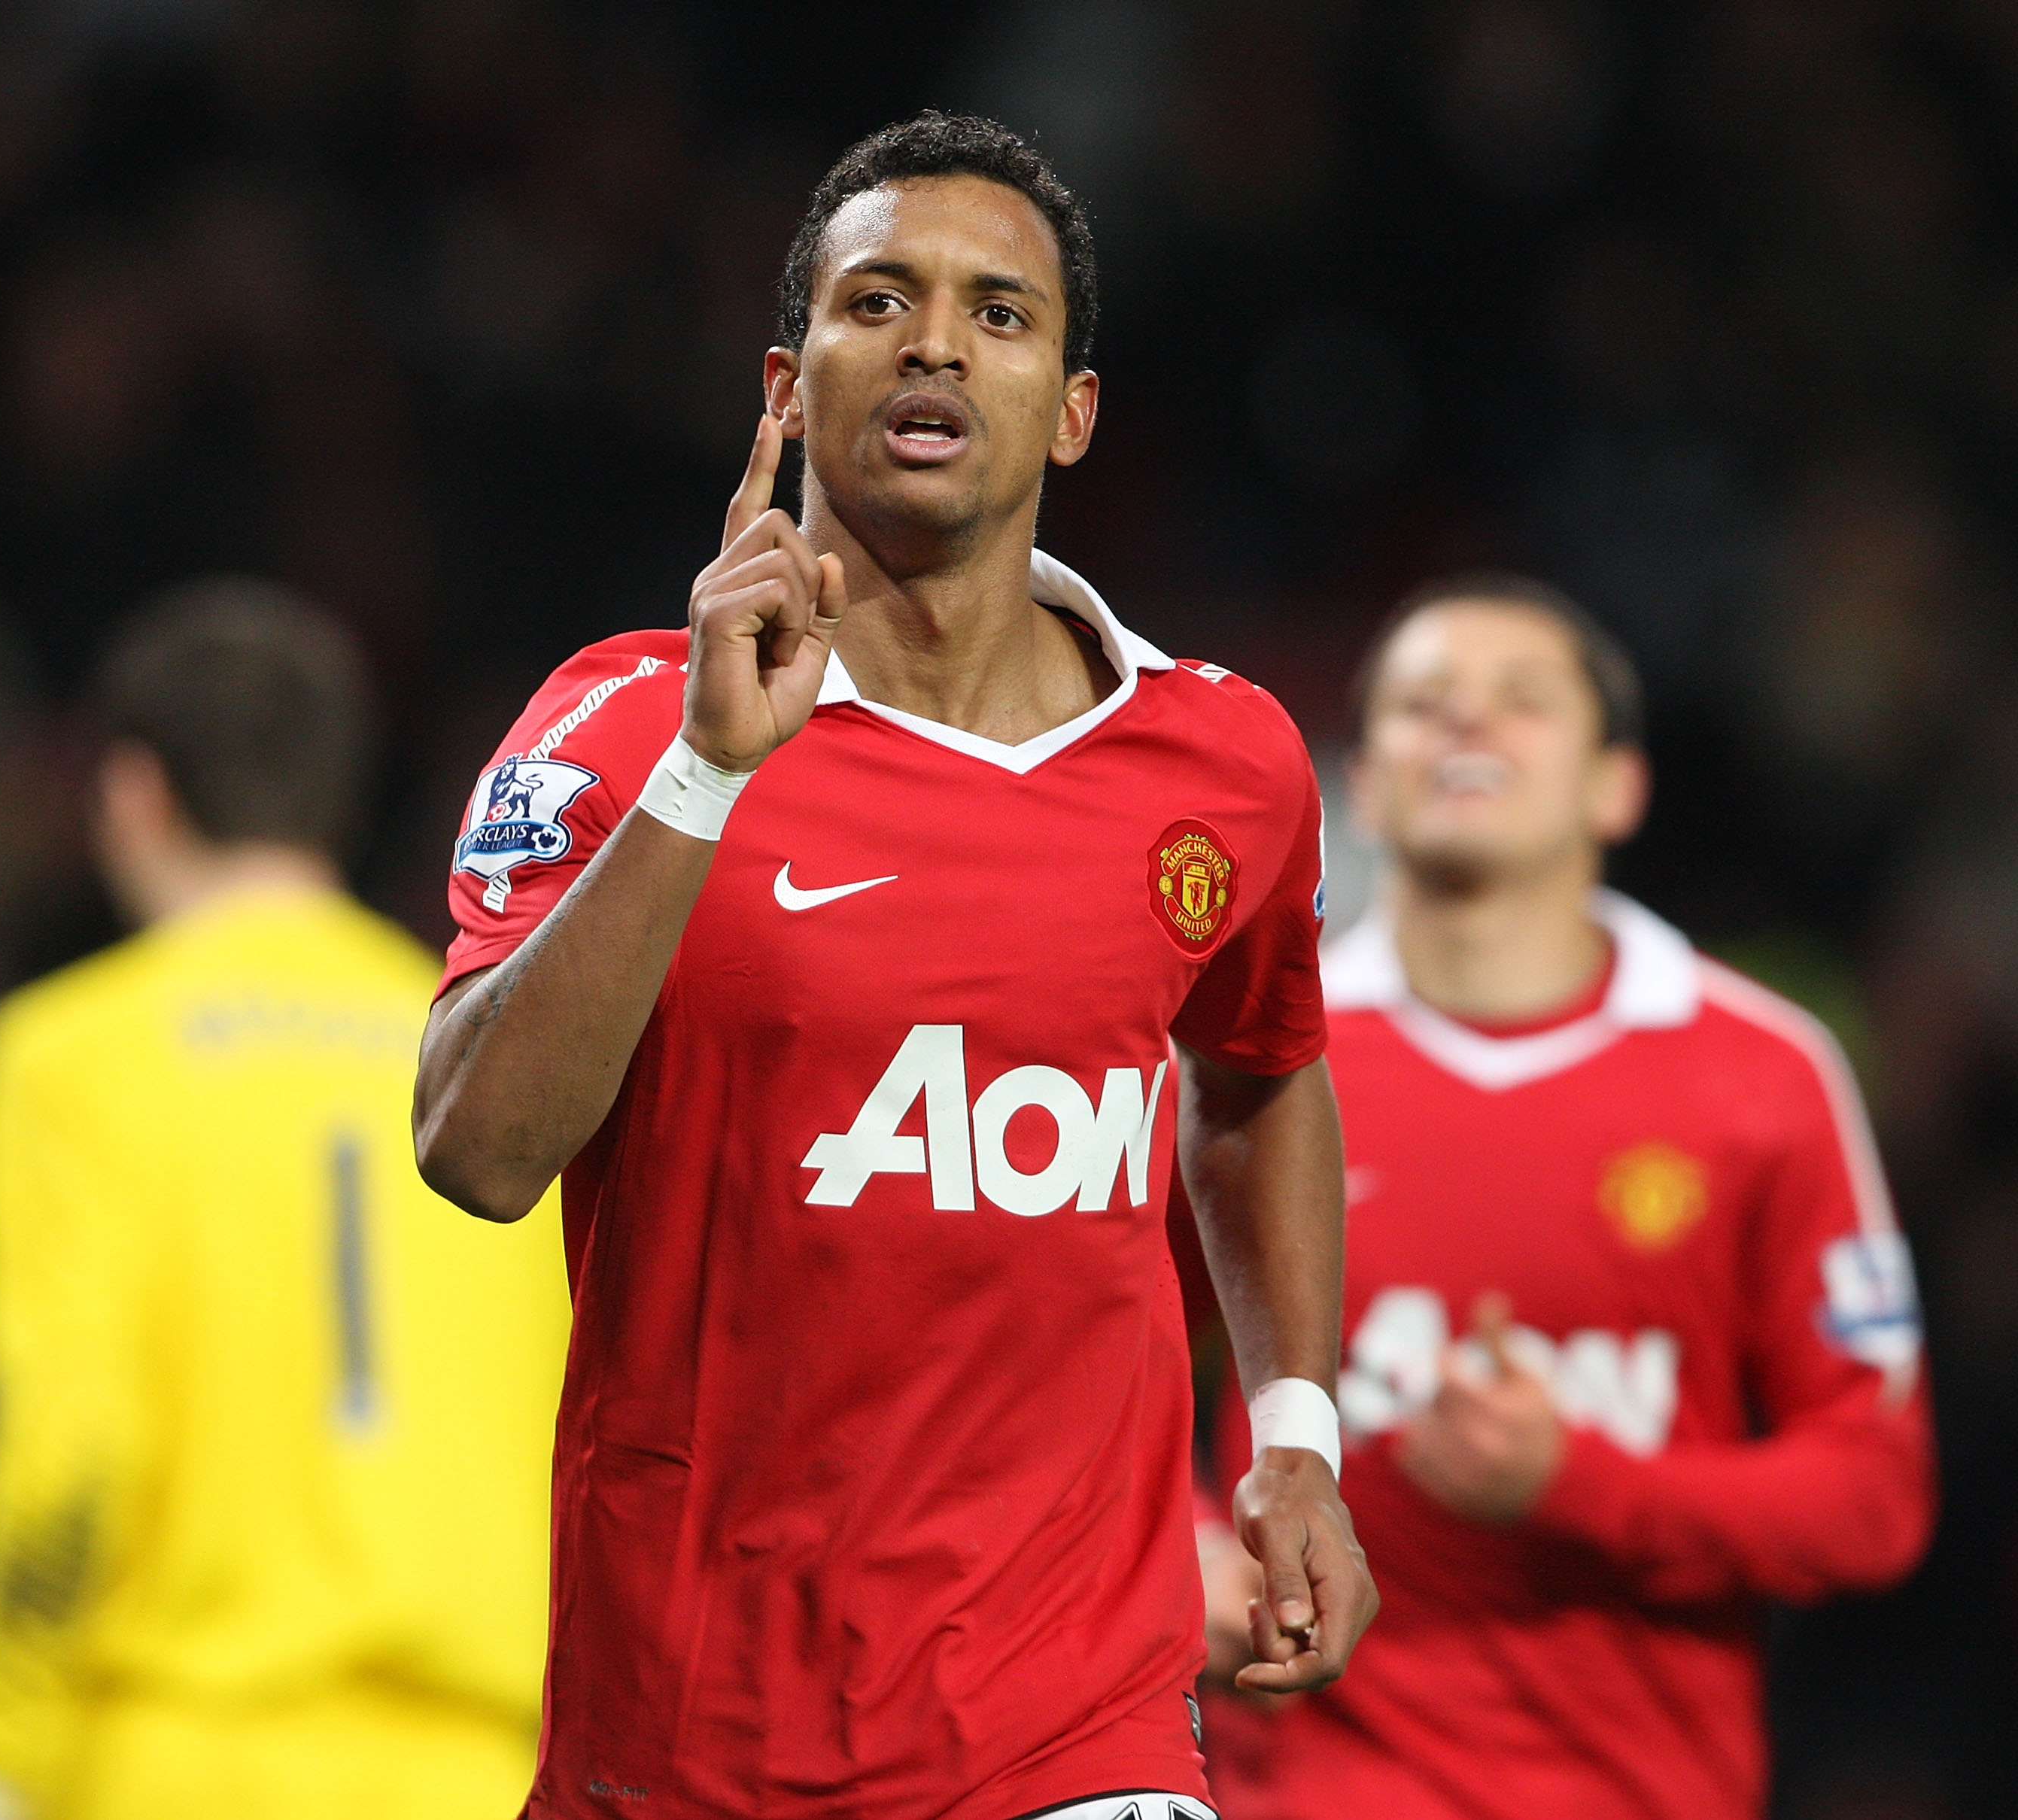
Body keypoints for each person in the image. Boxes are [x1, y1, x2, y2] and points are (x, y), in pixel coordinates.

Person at [412, 112, 1377, 1820]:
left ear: (1073, 412)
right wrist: (708, 772)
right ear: (788, 390)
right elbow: (476, 1153)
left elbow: (1262, 1071)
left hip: (1080, 1734)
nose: (937, 339)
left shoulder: (1225, 765)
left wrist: (1296, 1429)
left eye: (1001, 313)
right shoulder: (621, 720)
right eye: (882, 300)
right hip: (692, 1740)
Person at [1194, 576, 1936, 1820]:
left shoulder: (1763, 1073)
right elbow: (1082, 1360)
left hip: (1638, 1789)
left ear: (1618, 784)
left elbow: (1874, 1496)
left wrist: (1579, 1486)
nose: (1468, 727)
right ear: (1363, 785)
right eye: (1425, 705)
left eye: (1522, 703)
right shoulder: (1243, 1056)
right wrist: (1177, 1543)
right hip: (1303, 1787)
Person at [0, 583, 569, 1820]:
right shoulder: (494, 1062)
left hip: (174, 1765)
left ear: (132, 791)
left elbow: (70, 1444)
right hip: (484, 1772)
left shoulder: (67, 1057)